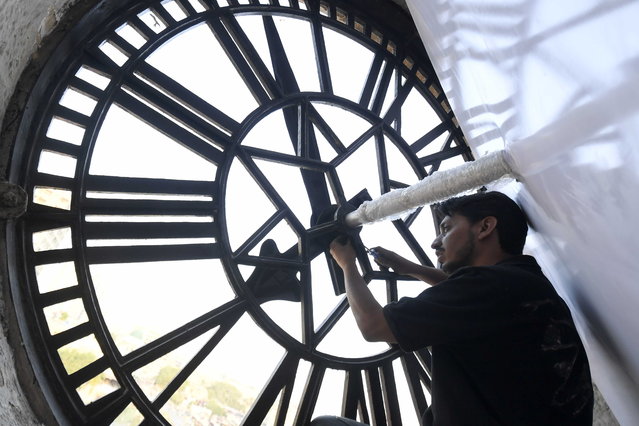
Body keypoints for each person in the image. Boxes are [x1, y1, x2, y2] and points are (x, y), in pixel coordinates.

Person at [313, 191, 593, 426]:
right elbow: (472, 303)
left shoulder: (488, 286)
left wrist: (347, 264)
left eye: (446, 229)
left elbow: (374, 326)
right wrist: (409, 268)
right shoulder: (526, 285)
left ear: (485, 227)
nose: (436, 242)